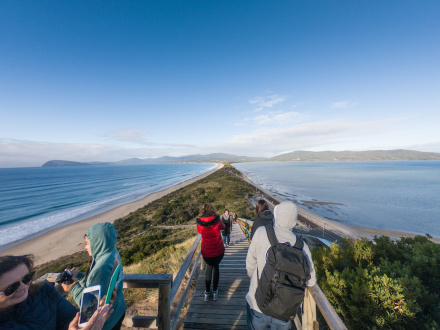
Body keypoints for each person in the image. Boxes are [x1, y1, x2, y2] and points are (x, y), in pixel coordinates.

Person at [246, 201, 316, 330]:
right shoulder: (302, 246)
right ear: (294, 221)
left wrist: (256, 280)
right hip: (284, 309)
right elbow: (311, 281)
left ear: (277, 216)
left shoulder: (262, 232)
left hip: (258, 303)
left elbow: (250, 264)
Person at [0, 254, 112, 330]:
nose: (24, 287)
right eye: (11, 288)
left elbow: (70, 318)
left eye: (27, 278)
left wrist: (91, 319)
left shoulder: (44, 292)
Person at [61, 222, 126, 330]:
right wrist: (80, 276)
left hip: (106, 322)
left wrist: (73, 287)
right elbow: (101, 284)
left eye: (87, 243)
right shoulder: (111, 252)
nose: (85, 247)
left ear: (98, 243)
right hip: (118, 309)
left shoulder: (102, 268)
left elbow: (90, 305)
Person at [196, 204, 225, 302]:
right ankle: (215, 292)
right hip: (218, 250)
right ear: (212, 210)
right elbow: (223, 227)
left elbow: (199, 231)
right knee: (216, 267)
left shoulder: (200, 222)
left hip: (206, 251)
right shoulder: (217, 219)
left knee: (209, 267)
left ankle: (207, 293)